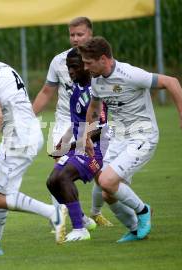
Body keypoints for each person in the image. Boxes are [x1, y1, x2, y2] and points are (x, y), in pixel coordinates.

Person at [80, 36, 182, 242]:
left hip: (143, 136)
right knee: (107, 191)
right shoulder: (96, 79)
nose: (85, 67)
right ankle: (135, 230)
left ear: (103, 59)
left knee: (107, 180)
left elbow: (171, 82)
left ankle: (143, 210)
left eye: (88, 62)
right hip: (118, 139)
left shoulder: (131, 74)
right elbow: (94, 106)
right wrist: (86, 134)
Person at [0, 38, 66, 256]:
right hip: (29, 133)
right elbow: (7, 106)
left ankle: (53, 213)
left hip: (18, 138)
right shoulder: (5, 69)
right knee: (0, 191)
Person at [32, 16, 112, 228]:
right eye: (72, 34)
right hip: (65, 121)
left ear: (90, 34)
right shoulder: (59, 61)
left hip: (96, 122)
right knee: (59, 170)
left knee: (101, 175)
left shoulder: (102, 62)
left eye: (80, 34)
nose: (75, 38)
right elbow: (46, 91)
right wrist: (28, 117)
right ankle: (61, 220)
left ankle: (94, 213)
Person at [46, 48, 109, 243]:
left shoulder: (94, 92)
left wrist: (77, 143)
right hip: (80, 147)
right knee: (52, 181)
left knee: (64, 177)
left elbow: (102, 129)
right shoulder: (76, 92)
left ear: (85, 66)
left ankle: (80, 229)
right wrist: (65, 140)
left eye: (74, 67)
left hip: (95, 151)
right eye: (68, 68)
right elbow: (76, 125)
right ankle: (82, 218)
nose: (70, 72)